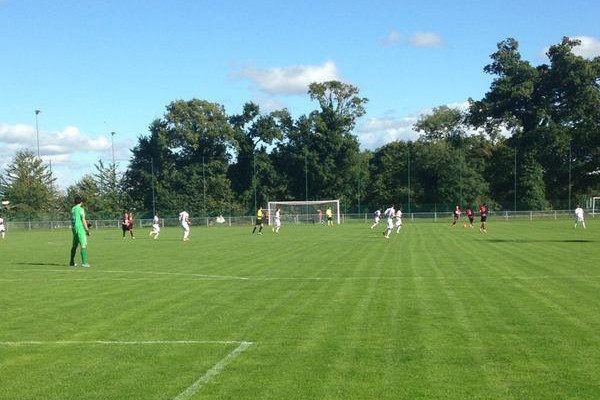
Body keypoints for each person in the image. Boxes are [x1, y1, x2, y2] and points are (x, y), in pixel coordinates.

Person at [69, 196, 91, 267]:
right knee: (83, 244)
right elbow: (83, 219)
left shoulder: (72, 209)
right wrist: (87, 230)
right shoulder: (80, 209)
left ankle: (71, 262)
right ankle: (84, 263)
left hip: (74, 228)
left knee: (74, 245)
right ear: (81, 202)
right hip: (79, 228)